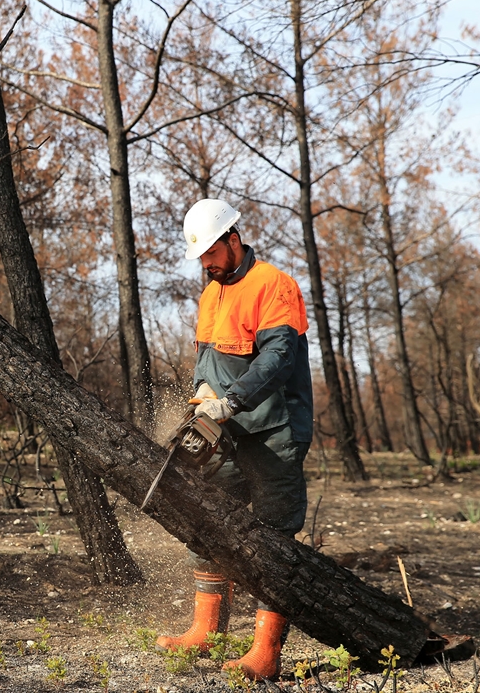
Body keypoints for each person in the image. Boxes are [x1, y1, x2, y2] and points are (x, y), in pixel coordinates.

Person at [155, 198, 314, 680]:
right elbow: (208, 359)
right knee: (205, 517)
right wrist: (204, 393)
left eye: (211, 252)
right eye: (200, 256)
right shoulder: (210, 295)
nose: (206, 262)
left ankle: (266, 650)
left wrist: (233, 401)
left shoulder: (273, 285)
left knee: (273, 533)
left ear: (233, 238)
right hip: (225, 433)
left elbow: (278, 358)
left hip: (273, 430)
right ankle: (207, 629)